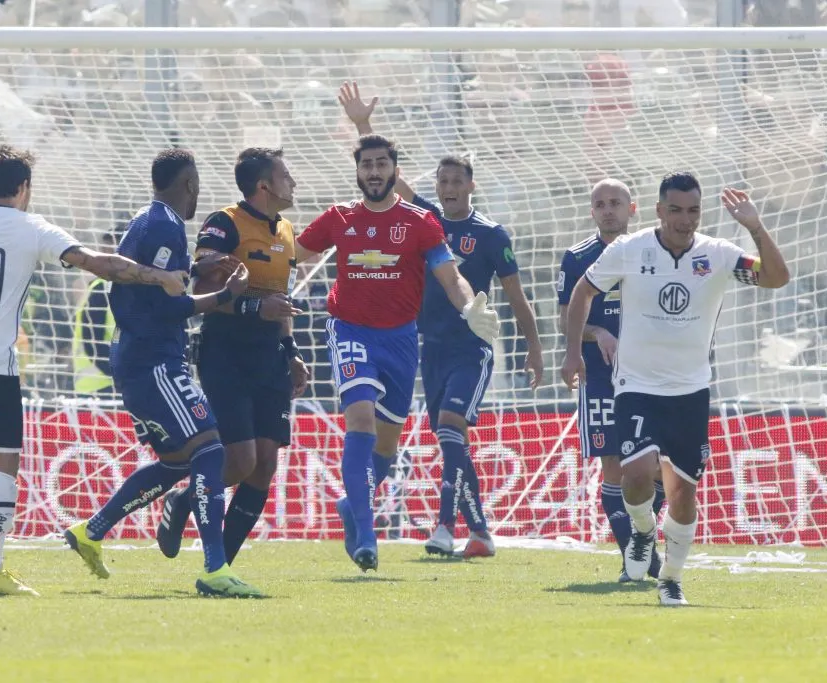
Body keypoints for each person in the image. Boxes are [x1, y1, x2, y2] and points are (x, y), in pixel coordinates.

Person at [0, 145, 187, 596]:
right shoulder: (33, 228)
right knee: (4, 461)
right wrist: (159, 275)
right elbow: (98, 263)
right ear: (25, 188)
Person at [561, 173, 789, 606]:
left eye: (694, 211)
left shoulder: (718, 255)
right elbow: (582, 293)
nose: (686, 220)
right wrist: (573, 353)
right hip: (636, 384)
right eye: (677, 210)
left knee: (684, 492)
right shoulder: (629, 249)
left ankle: (670, 579)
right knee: (637, 474)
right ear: (659, 210)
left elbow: (776, 278)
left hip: (690, 389)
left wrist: (755, 228)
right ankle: (643, 532)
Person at [338, 81, 543, 558]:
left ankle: (446, 526)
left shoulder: (491, 235)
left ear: (471, 185)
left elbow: (516, 296)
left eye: (457, 181)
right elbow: (388, 176)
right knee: (448, 436)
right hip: (426, 348)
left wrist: (534, 349)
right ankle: (479, 532)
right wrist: (363, 124)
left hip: (471, 349)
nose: (448, 188)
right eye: (443, 181)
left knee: (451, 425)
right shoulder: (424, 219)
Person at [292, 133, 501, 571]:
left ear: (395, 170)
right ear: (357, 171)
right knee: (361, 418)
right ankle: (367, 537)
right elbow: (290, 254)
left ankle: (353, 507)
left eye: (381, 164)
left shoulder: (422, 222)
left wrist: (470, 307)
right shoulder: (338, 218)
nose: (373, 172)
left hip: (403, 339)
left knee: (386, 444)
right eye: (366, 165)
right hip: (349, 330)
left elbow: (450, 277)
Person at [62, 148, 265, 598]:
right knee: (210, 450)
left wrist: (195, 268)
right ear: (188, 185)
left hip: (137, 361)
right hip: (154, 361)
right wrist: (224, 295)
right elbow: (166, 305)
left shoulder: (147, 221)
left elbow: (145, 283)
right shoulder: (166, 226)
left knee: (176, 462)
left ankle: (91, 531)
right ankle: (215, 567)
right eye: (197, 185)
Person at [156, 148, 307, 566]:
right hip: (227, 354)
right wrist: (253, 309)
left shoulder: (287, 231)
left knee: (264, 469)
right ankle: (182, 498)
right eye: (286, 175)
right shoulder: (223, 224)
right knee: (240, 462)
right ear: (264, 185)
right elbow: (200, 292)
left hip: (271, 357)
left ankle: (223, 565)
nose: (293, 182)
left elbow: (283, 302)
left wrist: (292, 352)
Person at [557, 178, 665, 582]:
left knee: (659, 466)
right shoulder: (577, 257)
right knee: (614, 468)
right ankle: (637, 558)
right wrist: (593, 336)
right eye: (600, 204)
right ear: (591, 212)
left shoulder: (652, 252)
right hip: (600, 377)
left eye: (615, 203)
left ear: (632, 209)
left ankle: (642, 545)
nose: (608, 210)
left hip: (650, 376)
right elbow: (566, 316)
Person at [72, 227, 122, 396]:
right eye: (104, 251)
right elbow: (92, 342)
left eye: (110, 251)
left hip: (102, 387)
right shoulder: (101, 289)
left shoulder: (112, 286)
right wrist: (121, 377)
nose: (106, 257)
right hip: (103, 388)